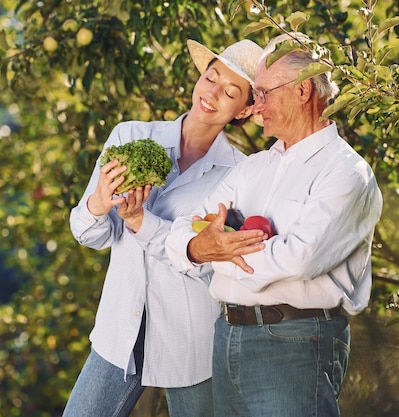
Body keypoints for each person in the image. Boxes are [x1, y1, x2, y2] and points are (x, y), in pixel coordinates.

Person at [164, 32, 383, 417]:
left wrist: (216, 250)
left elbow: (297, 260)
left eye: (263, 93)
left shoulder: (347, 173)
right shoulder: (253, 168)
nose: (255, 106)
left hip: (296, 342)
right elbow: (184, 230)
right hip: (228, 336)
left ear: (301, 91)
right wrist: (202, 246)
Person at [63, 38, 264, 417]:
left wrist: (141, 221)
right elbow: (90, 233)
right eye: (211, 78)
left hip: (189, 344)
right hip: (118, 331)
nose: (212, 94)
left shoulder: (241, 174)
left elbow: (208, 262)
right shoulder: (130, 136)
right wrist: (98, 204)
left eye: (230, 92)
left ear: (245, 109)